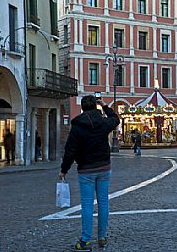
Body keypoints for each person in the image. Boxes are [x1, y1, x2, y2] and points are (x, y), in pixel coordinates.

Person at [59, 95, 120, 251]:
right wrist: (105, 106)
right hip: (104, 167)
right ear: (95, 106)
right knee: (103, 203)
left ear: (82, 108)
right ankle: (103, 237)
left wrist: (63, 170)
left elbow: (70, 150)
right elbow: (115, 119)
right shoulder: (103, 122)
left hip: (86, 169)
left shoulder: (77, 126)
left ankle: (86, 241)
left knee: (87, 205)